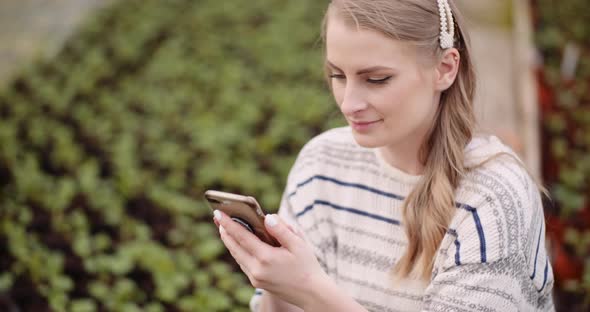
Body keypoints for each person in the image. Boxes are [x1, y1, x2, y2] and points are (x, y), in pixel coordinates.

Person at [213, 0, 555, 311]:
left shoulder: (492, 201)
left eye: (376, 79)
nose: (348, 104)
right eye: (337, 75)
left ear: (445, 69)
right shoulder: (323, 164)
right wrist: (276, 284)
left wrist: (309, 289)